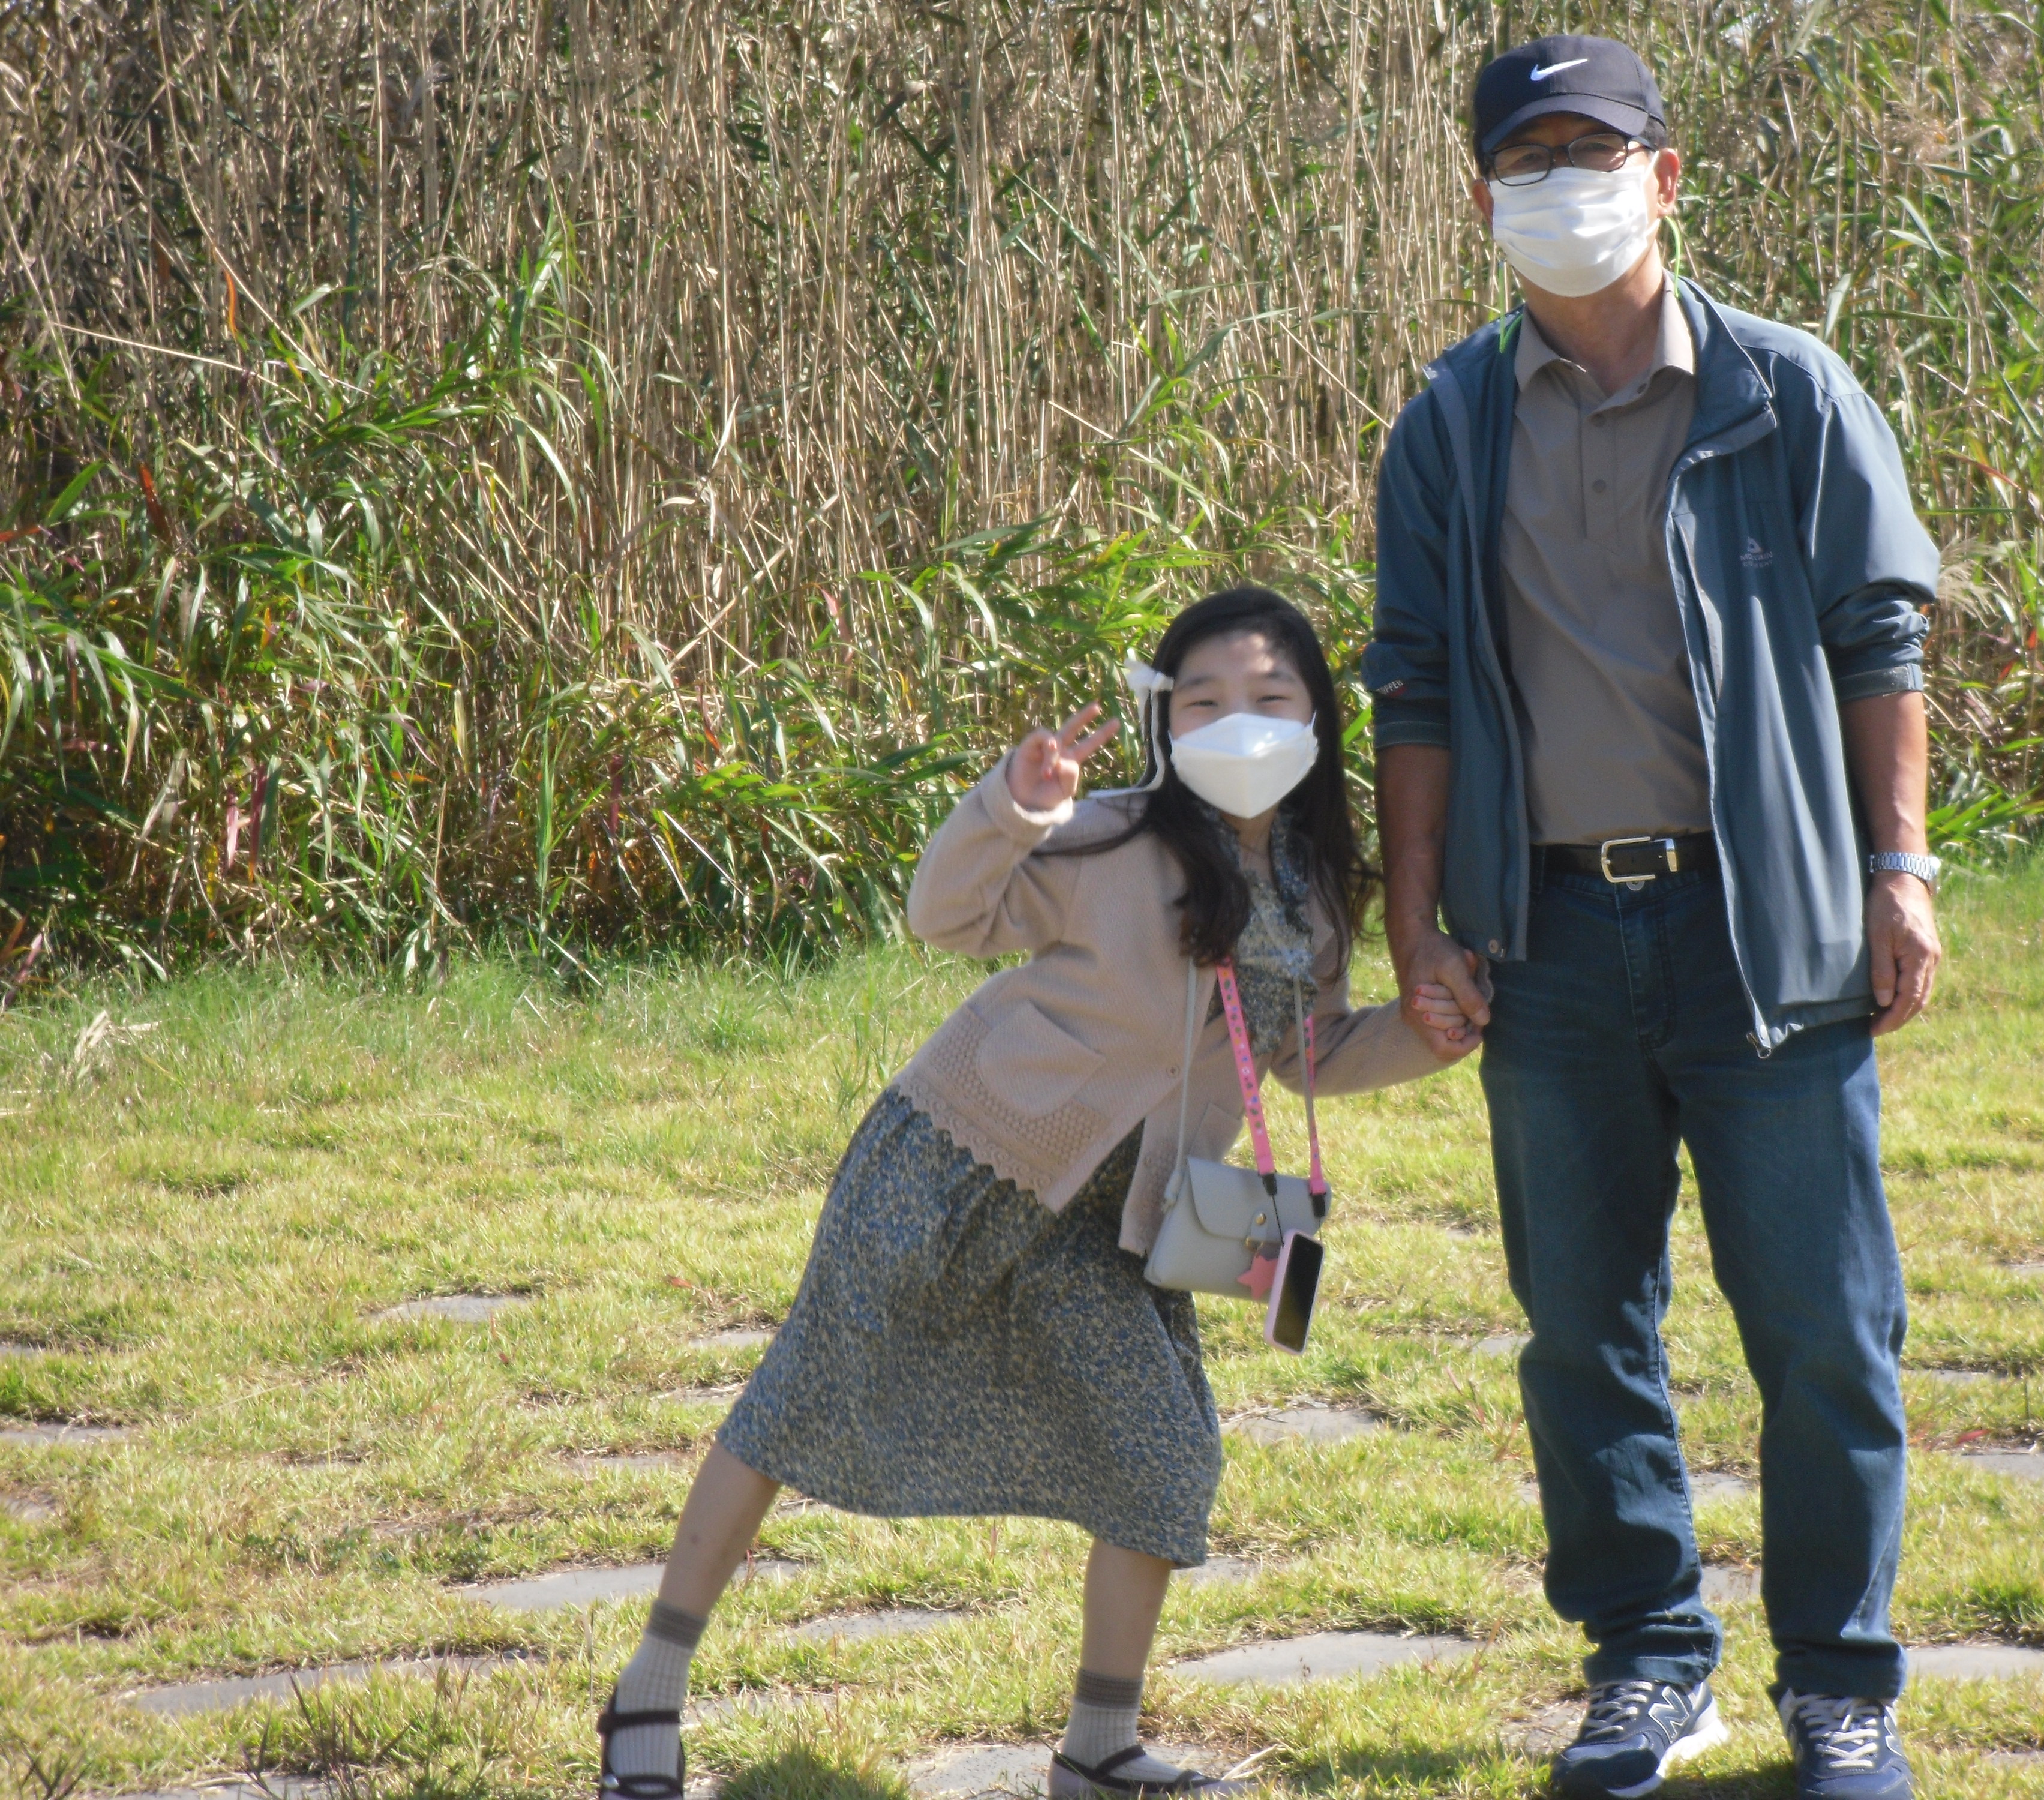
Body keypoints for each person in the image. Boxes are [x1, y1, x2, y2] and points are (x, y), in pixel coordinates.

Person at [593, 586, 1458, 1800]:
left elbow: (1309, 1049)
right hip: (958, 1163)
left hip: (1114, 1223)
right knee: (799, 1401)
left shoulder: (1310, 890)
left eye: (1270, 698)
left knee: (1162, 1458)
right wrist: (1014, 805)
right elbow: (945, 914)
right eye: (1205, 701)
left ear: (1316, 718)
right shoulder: (1108, 838)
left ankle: (1098, 1751)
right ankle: (649, 1690)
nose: (1240, 723)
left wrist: (1432, 1034)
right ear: (1163, 724)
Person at [1367, 35, 1944, 1800]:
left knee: (1825, 1328)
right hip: (1546, 941)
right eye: (1525, 160)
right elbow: (1413, 689)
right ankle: (1647, 1664)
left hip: (1764, 932)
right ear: (1482, 198)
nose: (1562, 186)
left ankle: (1840, 1689)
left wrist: (1898, 870)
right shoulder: (1450, 422)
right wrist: (1418, 928)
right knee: (1579, 1330)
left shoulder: (1785, 390)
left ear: (1665, 177)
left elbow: (1877, 642)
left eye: (1592, 152)